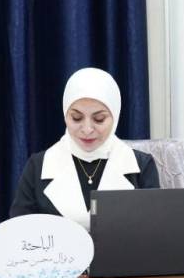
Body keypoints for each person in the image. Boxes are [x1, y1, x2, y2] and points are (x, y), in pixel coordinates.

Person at [10, 68, 160, 229]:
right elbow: (20, 232)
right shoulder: (38, 167)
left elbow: (153, 232)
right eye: (76, 118)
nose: (87, 129)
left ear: (115, 116)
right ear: (65, 115)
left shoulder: (141, 167)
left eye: (99, 119)